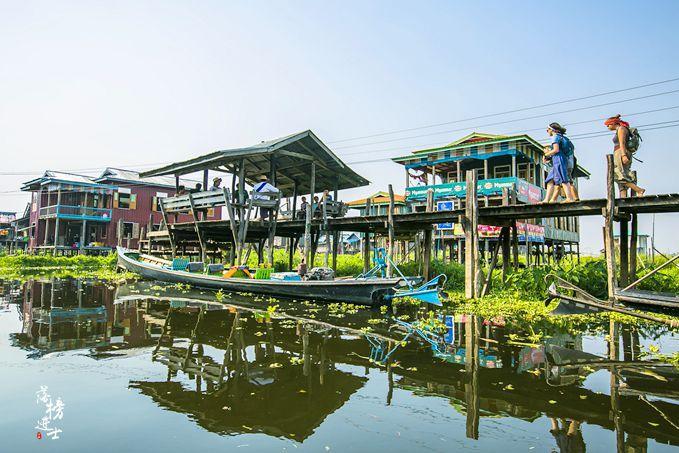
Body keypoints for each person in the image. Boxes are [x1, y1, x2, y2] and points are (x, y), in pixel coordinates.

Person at [605, 114, 645, 198]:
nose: (607, 126)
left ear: (613, 123)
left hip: (621, 152)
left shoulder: (621, 129)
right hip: (621, 152)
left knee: (617, 175)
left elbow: (622, 143)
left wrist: (623, 155)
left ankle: (639, 190)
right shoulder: (621, 129)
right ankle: (623, 197)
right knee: (623, 175)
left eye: (608, 124)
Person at [542, 123, 576, 203]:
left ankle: (569, 198)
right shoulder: (562, 137)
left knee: (563, 179)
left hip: (559, 159)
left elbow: (556, 150)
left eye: (548, 129)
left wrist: (546, 154)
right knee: (550, 179)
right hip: (557, 159)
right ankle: (546, 199)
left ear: (552, 130)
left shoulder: (555, 137)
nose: (547, 131)